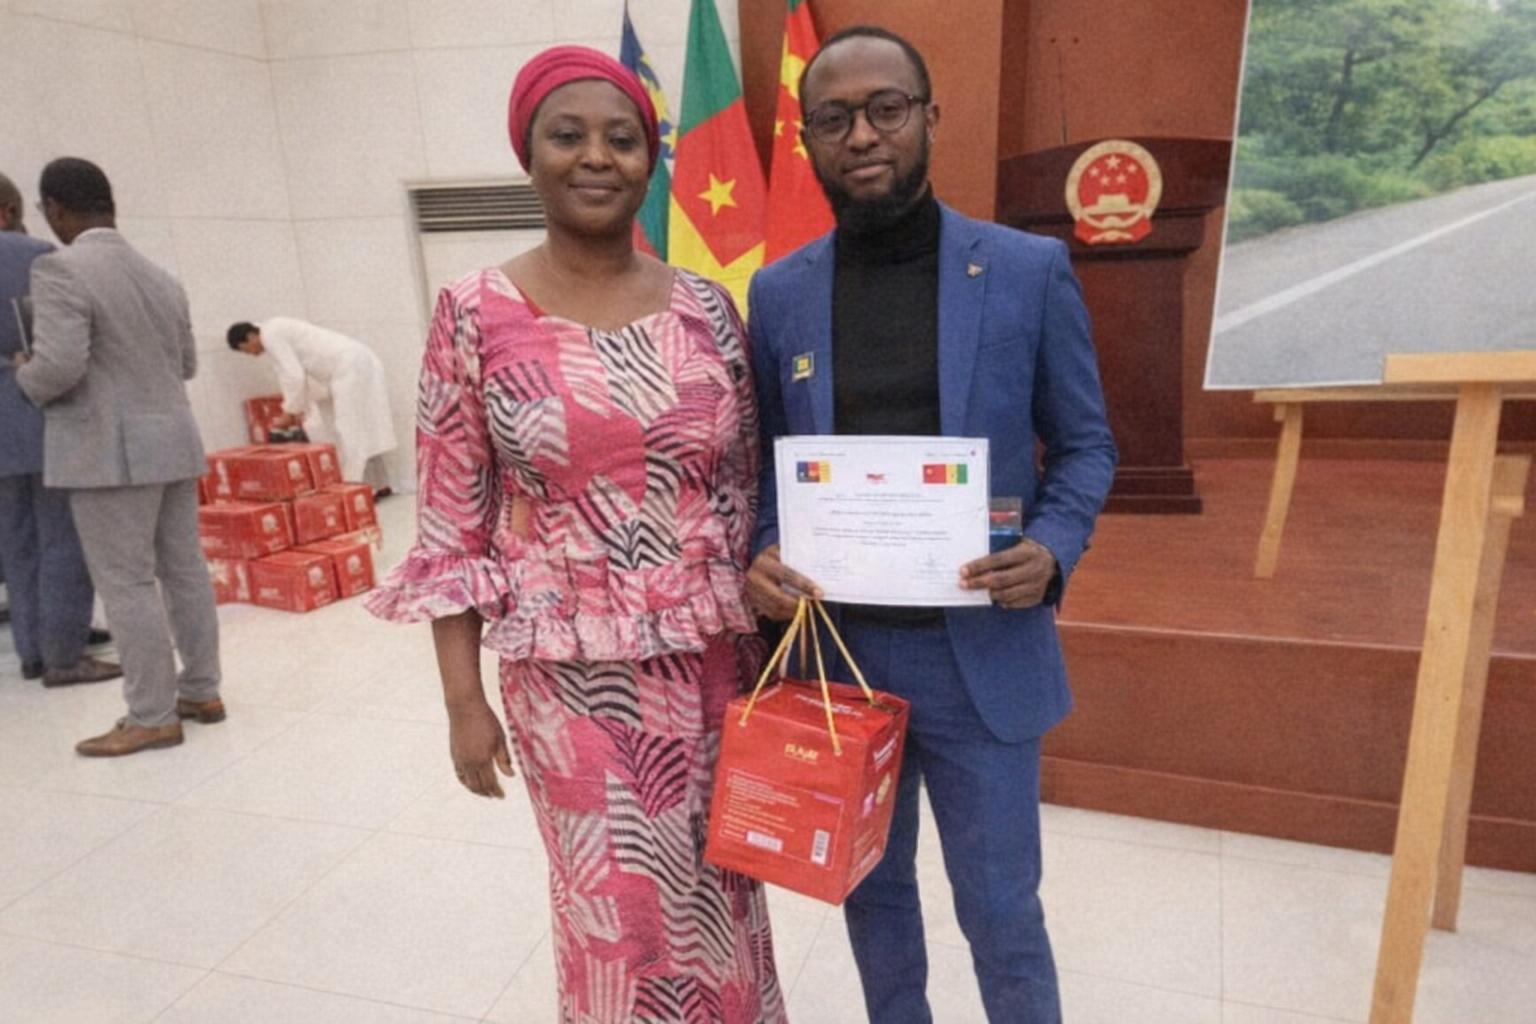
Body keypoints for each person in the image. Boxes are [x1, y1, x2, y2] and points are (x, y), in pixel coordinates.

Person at [366, 47, 784, 1023]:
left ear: (649, 160)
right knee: (618, 909)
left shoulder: (708, 307)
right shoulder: (474, 313)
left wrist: (772, 650)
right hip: (570, 674)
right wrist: (463, 702)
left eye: (622, 138)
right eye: (568, 135)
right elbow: (451, 524)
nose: (597, 156)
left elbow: (743, 491)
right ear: (529, 154)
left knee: (724, 894)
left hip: (714, 662)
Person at [745, 27, 1117, 1024]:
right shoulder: (779, 294)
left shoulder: (1027, 270)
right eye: (834, 118)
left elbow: (1087, 445)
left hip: (978, 657)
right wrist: (763, 551)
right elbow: (769, 466)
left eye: (886, 109)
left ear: (928, 118)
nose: (862, 135)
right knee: (872, 896)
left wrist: (1055, 547)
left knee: (1001, 913)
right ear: (809, 139)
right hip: (840, 659)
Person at [15, 158, 224, 756]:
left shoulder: (58, 269)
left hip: (108, 454)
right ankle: (201, 691)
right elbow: (186, 364)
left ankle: (151, 714)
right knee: (184, 572)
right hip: (174, 443)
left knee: (126, 583)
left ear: (55, 209)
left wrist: (26, 373)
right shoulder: (161, 277)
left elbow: (60, 365)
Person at [0, 171, 120, 687]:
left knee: (16, 542)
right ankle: (64, 654)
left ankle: (33, 649)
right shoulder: (38, 257)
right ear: (9, 210)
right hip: (39, 411)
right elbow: (65, 345)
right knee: (63, 538)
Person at [225, 318, 397, 488]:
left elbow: (294, 376)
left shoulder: (270, 335)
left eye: (246, 349)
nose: (252, 355)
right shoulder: (274, 331)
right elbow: (290, 375)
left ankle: (354, 486)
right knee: (350, 429)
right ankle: (369, 483)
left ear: (250, 337)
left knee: (349, 428)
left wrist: (289, 412)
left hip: (350, 366)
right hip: (348, 366)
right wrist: (296, 408)